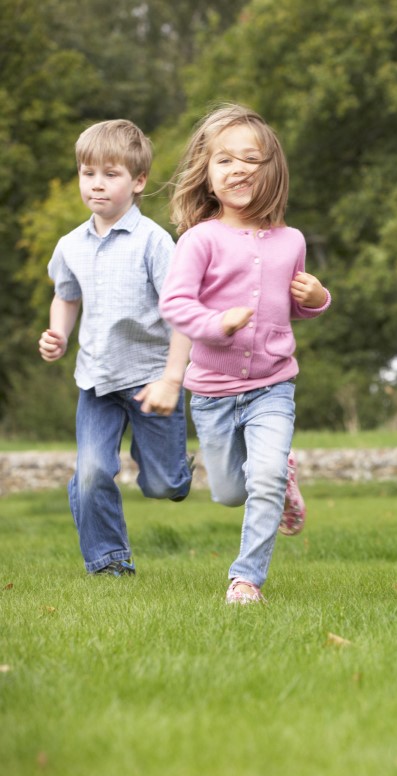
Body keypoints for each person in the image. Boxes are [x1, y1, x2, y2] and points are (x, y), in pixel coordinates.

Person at [160, 104, 331, 605]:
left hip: (272, 385)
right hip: (212, 393)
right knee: (230, 492)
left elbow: (291, 310)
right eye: (224, 161)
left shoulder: (290, 241)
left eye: (251, 159)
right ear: (208, 176)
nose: (238, 169)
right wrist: (216, 324)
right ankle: (281, 477)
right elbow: (175, 305)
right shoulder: (199, 240)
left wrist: (317, 298)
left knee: (265, 477)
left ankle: (245, 578)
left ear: (271, 169)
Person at [38, 120, 193, 577]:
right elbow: (66, 297)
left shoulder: (154, 242)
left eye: (110, 174)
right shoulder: (70, 245)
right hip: (96, 382)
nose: (97, 184)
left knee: (164, 485)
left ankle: (174, 471)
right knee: (90, 473)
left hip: (151, 382)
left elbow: (179, 311)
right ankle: (109, 563)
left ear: (138, 181)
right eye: (88, 173)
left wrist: (174, 377)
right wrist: (58, 334)